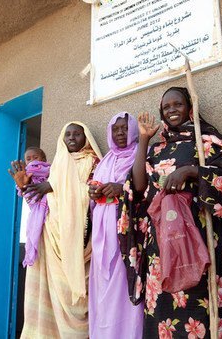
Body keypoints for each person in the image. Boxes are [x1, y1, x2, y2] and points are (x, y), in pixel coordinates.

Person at [118, 87, 222, 339]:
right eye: (166, 107)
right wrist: (144, 139)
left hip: (202, 240)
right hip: (162, 245)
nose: (172, 110)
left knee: (205, 310)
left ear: (189, 108)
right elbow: (139, 187)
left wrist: (192, 171)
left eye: (177, 104)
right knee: (164, 311)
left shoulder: (208, 141)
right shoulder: (156, 149)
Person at [18, 122, 102, 339]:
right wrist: (25, 187)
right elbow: (39, 202)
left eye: (77, 134)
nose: (72, 138)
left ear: (86, 138)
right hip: (51, 237)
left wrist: (53, 187)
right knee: (51, 297)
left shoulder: (94, 162)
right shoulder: (55, 166)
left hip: (82, 239)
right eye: (68, 134)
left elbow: (95, 191)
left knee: (79, 300)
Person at [87, 112, 144, 339]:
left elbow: (146, 189)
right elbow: (94, 192)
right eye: (115, 129)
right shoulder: (106, 160)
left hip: (126, 234)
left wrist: (123, 189)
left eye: (124, 128)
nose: (120, 133)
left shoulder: (142, 154)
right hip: (102, 233)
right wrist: (93, 192)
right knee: (103, 285)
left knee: (123, 284)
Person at [8, 146, 50, 267]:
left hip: (50, 210)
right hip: (37, 208)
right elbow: (25, 194)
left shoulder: (51, 170)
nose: (32, 161)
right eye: (28, 159)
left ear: (43, 159)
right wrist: (22, 187)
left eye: (35, 158)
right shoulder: (25, 175)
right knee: (34, 231)